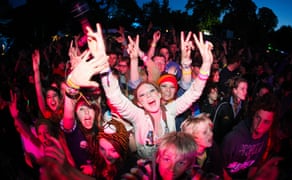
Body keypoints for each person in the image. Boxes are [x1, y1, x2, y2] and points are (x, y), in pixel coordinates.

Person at [66, 23, 213, 159]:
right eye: (142, 95)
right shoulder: (137, 116)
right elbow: (114, 95)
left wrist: (206, 64)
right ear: (140, 103)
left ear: (159, 95)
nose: (148, 95)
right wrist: (103, 63)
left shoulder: (170, 111)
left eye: (151, 91)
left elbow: (193, 93)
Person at [221, 93, 282, 179]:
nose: (259, 126)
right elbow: (218, 166)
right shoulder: (233, 139)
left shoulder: (265, 137)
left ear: (272, 124)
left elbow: (254, 165)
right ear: (253, 115)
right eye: (258, 118)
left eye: (266, 122)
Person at [122, 131, 200, 179]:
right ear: (158, 158)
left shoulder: (194, 174)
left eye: (181, 163)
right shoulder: (145, 170)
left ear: (188, 165)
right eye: (167, 159)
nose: (172, 168)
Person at [181, 113, 225, 179]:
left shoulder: (213, 147)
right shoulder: (183, 157)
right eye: (205, 132)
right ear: (192, 137)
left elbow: (218, 172)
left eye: (210, 130)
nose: (211, 134)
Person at [212, 76, 248, 145]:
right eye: (242, 89)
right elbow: (213, 128)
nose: (245, 92)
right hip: (219, 144)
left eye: (246, 89)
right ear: (234, 90)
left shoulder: (244, 106)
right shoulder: (223, 106)